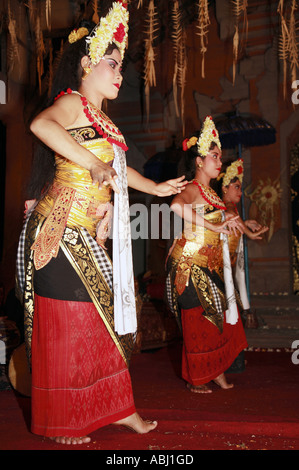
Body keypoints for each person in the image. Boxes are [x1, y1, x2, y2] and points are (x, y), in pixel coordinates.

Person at [15, 1, 187, 445]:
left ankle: (118, 408)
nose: (119, 74)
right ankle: (65, 418)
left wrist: (155, 187)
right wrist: (92, 164)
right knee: (70, 323)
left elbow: (119, 169)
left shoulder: (105, 122)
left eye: (120, 66)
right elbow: (41, 126)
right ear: (87, 64)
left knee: (108, 322)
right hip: (58, 233)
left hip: (85, 235)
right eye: (112, 63)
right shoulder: (70, 103)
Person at [165, 116, 248, 394]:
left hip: (210, 264)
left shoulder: (212, 194)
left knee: (220, 317)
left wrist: (239, 226)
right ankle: (197, 377)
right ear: (199, 161)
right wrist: (214, 224)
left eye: (220, 156)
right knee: (201, 319)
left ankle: (216, 372)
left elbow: (224, 223)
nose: (219, 161)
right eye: (214, 156)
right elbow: (176, 207)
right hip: (189, 265)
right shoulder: (192, 188)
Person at [216, 159, 268, 328]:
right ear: (225, 188)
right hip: (222, 271)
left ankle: (245, 312)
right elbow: (233, 217)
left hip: (228, 271)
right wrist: (249, 233)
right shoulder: (228, 207)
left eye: (240, 187)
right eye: (236, 187)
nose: (240, 191)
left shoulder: (229, 208)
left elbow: (235, 220)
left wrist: (246, 224)